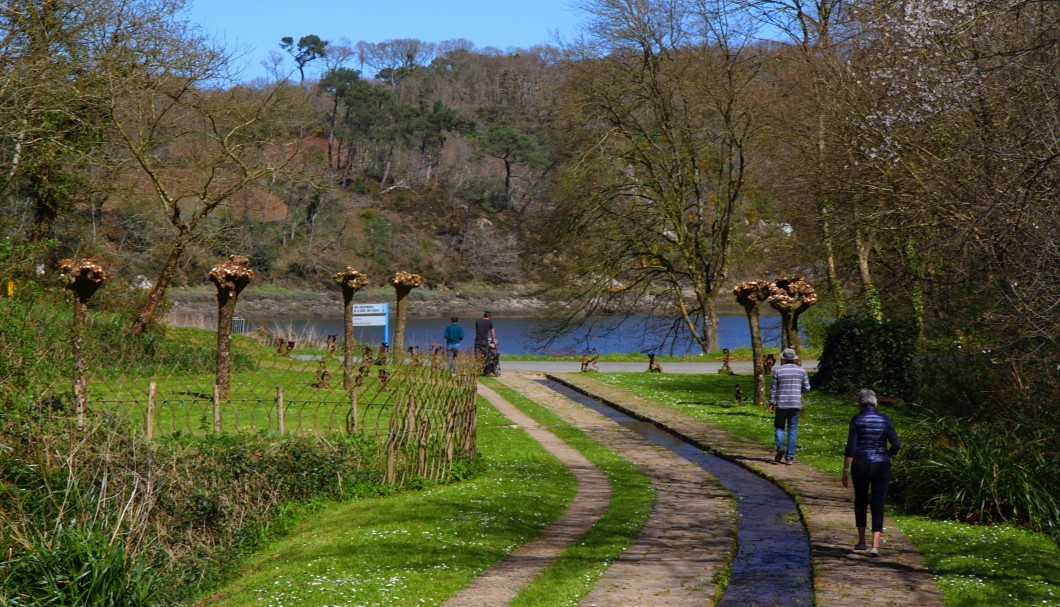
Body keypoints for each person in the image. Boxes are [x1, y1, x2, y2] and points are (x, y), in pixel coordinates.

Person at [842, 388, 900, 557]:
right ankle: (875, 545)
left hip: (860, 463)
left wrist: (845, 470)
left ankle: (861, 541)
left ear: (860, 403)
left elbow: (851, 447)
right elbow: (896, 444)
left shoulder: (856, 419)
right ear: (875, 403)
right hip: (881, 464)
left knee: (860, 500)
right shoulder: (885, 420)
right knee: (878, 502)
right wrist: (888, 454)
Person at [769, 347, 810, 464]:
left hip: (781, 403)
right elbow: (807, 388)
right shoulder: (801, 371)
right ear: (794, 359)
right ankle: (789, 457)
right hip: (795, 404)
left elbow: (773, 389)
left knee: (779, 427)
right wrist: (798, 390)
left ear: (783, 359)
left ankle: (780, 447)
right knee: (792, 429)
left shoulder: (778, 371)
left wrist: (771, 402)